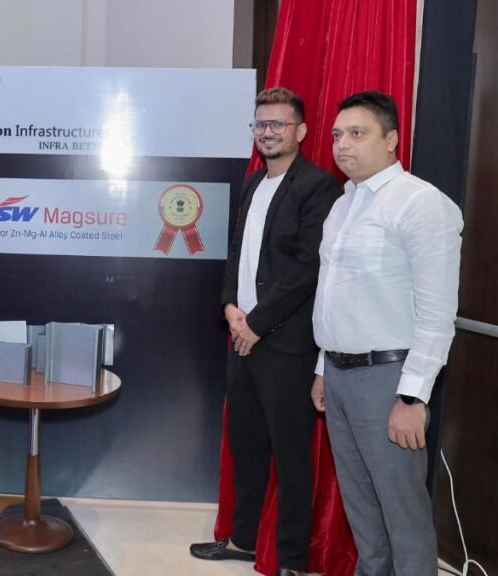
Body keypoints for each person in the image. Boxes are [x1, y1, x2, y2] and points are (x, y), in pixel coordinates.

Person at [310, 90, 462, 576]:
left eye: (357, 133)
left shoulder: (420, 203)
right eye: (337, 135)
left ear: (392, 139)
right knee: (361, 509)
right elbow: (335, 296)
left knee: (403, 515)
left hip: (389, 379)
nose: (342, 145)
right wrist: (323, 368)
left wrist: (412, 397)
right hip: (339, 376)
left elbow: (437, 315)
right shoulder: (342, 205)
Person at [190, 87, 340, 576]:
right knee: (247, 446)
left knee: (291, 456)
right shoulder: (254, 182)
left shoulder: (319, 187)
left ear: (301, 131)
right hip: (242, 338)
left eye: (278, 124)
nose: (268, 132)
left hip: (287, 345)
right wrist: (230, 308)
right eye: (261, 124)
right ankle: (243, 540)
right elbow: (237, 252)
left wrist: (256, 323)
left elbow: (307, 268)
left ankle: (292, 560)